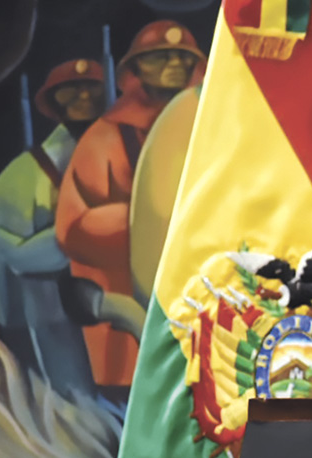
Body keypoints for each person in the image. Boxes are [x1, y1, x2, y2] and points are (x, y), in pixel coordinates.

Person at [55, 20, 206, 394]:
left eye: (181, 57)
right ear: (136, 68)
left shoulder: (206, 126)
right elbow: (71, 228)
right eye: (160, 57)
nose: (174, 64)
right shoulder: (106, 136)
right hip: (125, 312)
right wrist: (146, 220)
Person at [0, 58, 104, 400]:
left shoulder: (111, 154)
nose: (84, 96)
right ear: (54, 102)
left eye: (93, 87)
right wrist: (90, 232)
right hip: (43, 317)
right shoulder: (23, 175)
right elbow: (13, 255)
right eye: (72, 91)